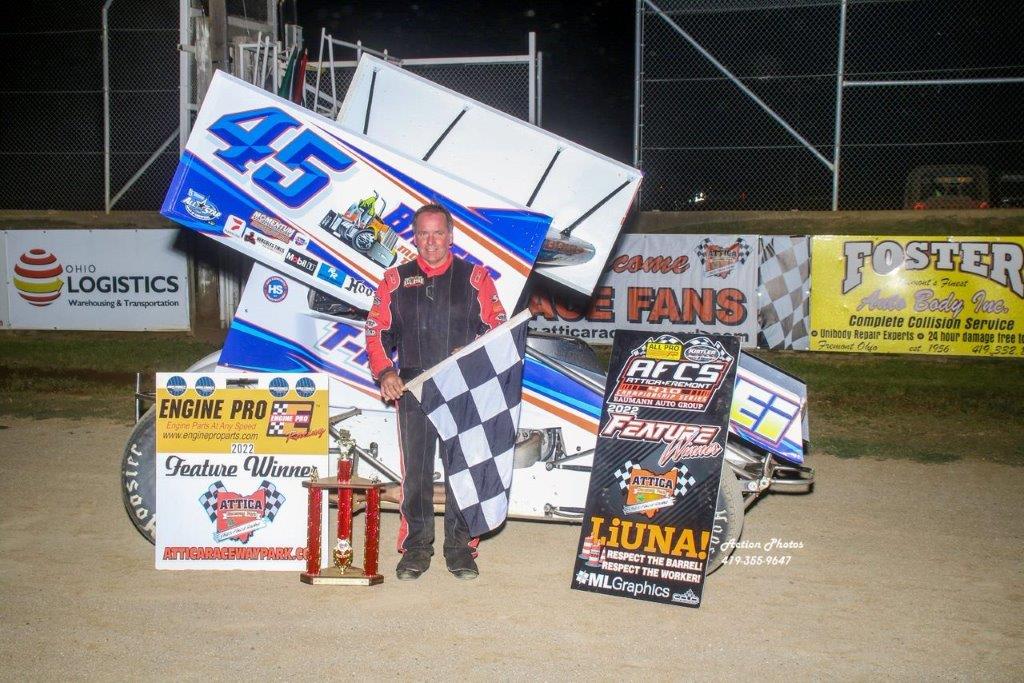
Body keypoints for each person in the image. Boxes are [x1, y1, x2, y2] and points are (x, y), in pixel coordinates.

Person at [364, 203, 506, 580]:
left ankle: (460, 548)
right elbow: (376, 331)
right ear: (414, 237)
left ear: (450, 236)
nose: (431, 242)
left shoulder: (476, 278)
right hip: (414, 387)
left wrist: (473, 353)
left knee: (463, 469)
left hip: (463, 386)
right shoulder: (394, 280)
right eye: (423, 234)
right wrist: (385, 372)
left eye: (438, 233)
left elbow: (498, 327)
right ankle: (416, 548)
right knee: (416, 473)